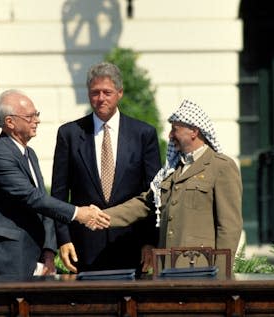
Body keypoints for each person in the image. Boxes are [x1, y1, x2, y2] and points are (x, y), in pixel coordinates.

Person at [0, 89, 109, 277]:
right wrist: (78, 213)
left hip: (29, 255)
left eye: (37, 114)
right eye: (30, 116)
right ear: (10, 122)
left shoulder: (29, 154)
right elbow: (32, 198)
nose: (37, 120)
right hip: (2, 257)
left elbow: (43, 204)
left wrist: (49, 252)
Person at [102, 99, 243, 273]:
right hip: (167, 270)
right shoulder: (172, 169)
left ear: (194, 131)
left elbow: (229, 227)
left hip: (201, 271)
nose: (170, 135)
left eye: (175, 129)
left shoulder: (221, 166)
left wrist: (221, 275)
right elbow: (145, 204)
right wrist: (101, 216)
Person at [52, 62, 161, 273]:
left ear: (119, 93)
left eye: (107, 92)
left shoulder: (143, 134)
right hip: (84, 247)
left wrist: (150, 241)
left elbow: (154, 194)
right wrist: (63, 239)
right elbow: (59, 195)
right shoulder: (70, 134)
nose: (101, 98)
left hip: (132, 244)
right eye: (95, 93)